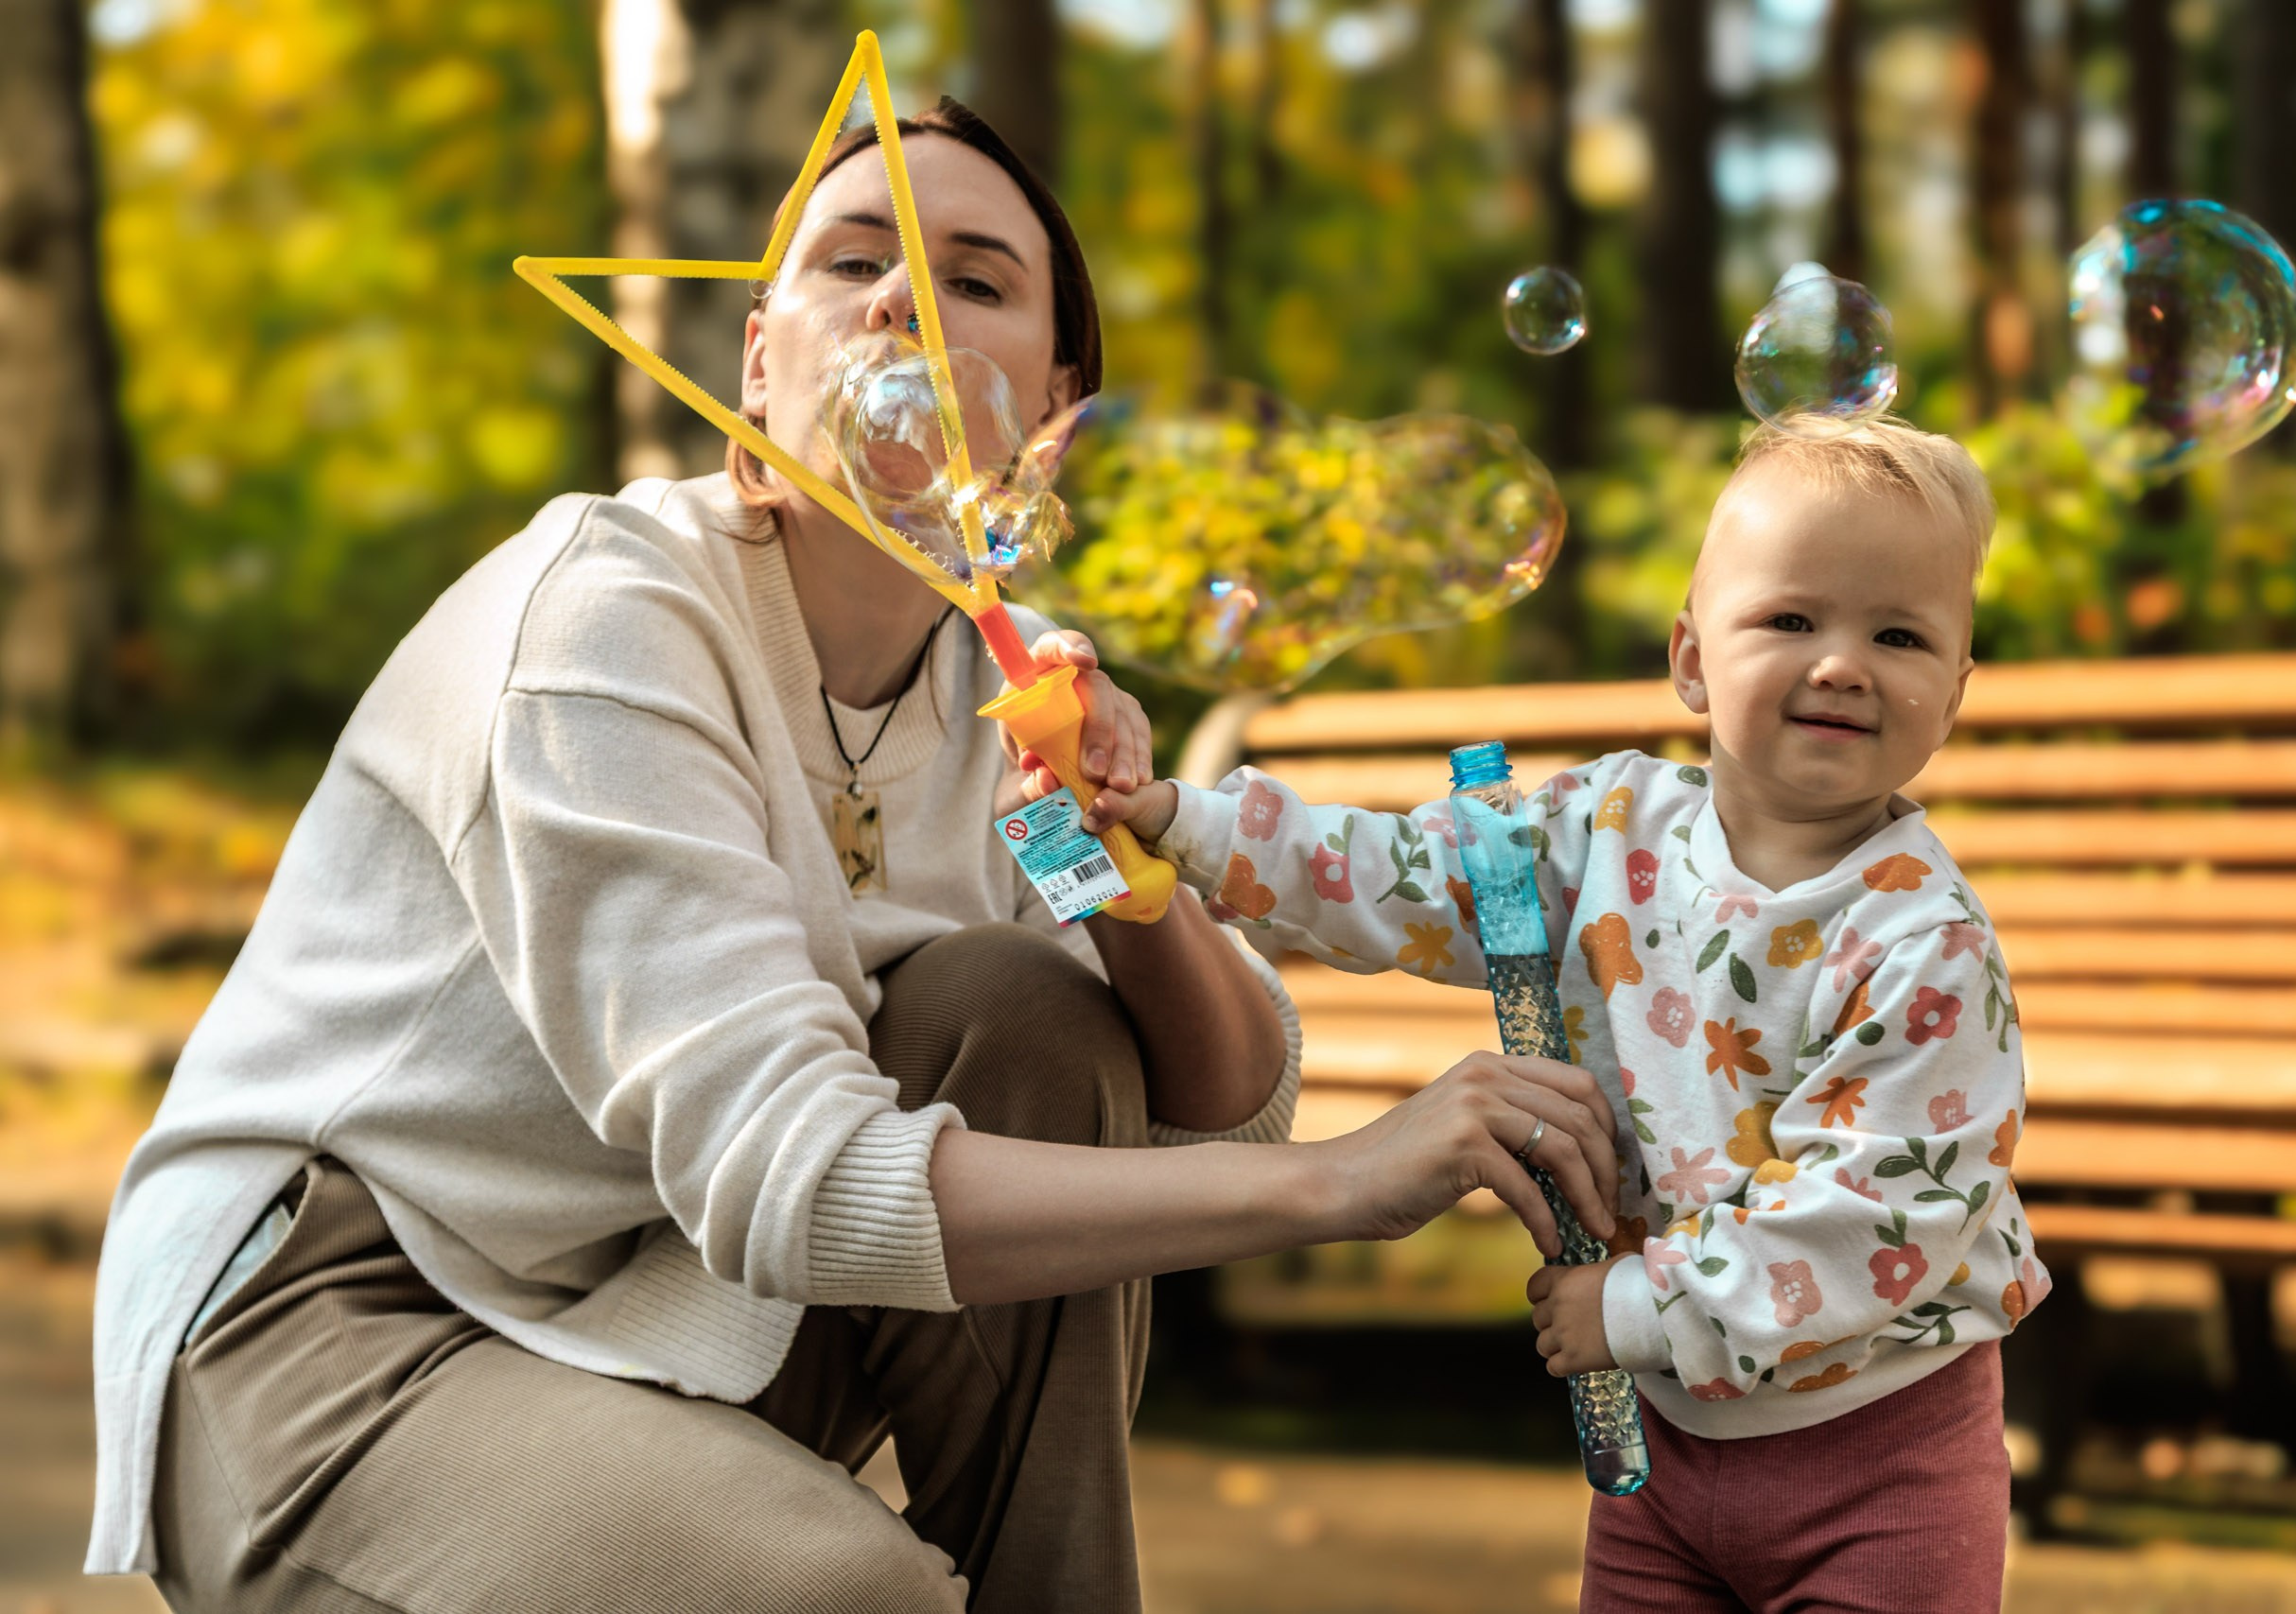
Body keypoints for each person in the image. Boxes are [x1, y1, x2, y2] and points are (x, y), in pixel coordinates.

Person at [86, 99, 1624, 1614]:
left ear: (1053, 407)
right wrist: (1339, 1188)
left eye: (974, 279)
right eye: (852, 264)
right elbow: (799, 1181)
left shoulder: (994, 688)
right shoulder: (607, 620)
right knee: (842, 1596)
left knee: (1033, 1017)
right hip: (340, 1325)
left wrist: (1120, 858)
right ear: (760, 356)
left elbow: (1225, 1102)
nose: (902, 299)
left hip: (660, 1297)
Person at [1095, 416, 2047, 1612]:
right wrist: (1185, 822)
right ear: (1692, 659)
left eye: (1898, 634)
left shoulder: (1926, 946)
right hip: (1661, 1452)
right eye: (1791, 621)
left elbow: (1871, 1223)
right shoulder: (1605, 830)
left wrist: (1641, 1305)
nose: (1842, 663)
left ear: (1953, 692)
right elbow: (1397, 872)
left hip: (1879, 1455)